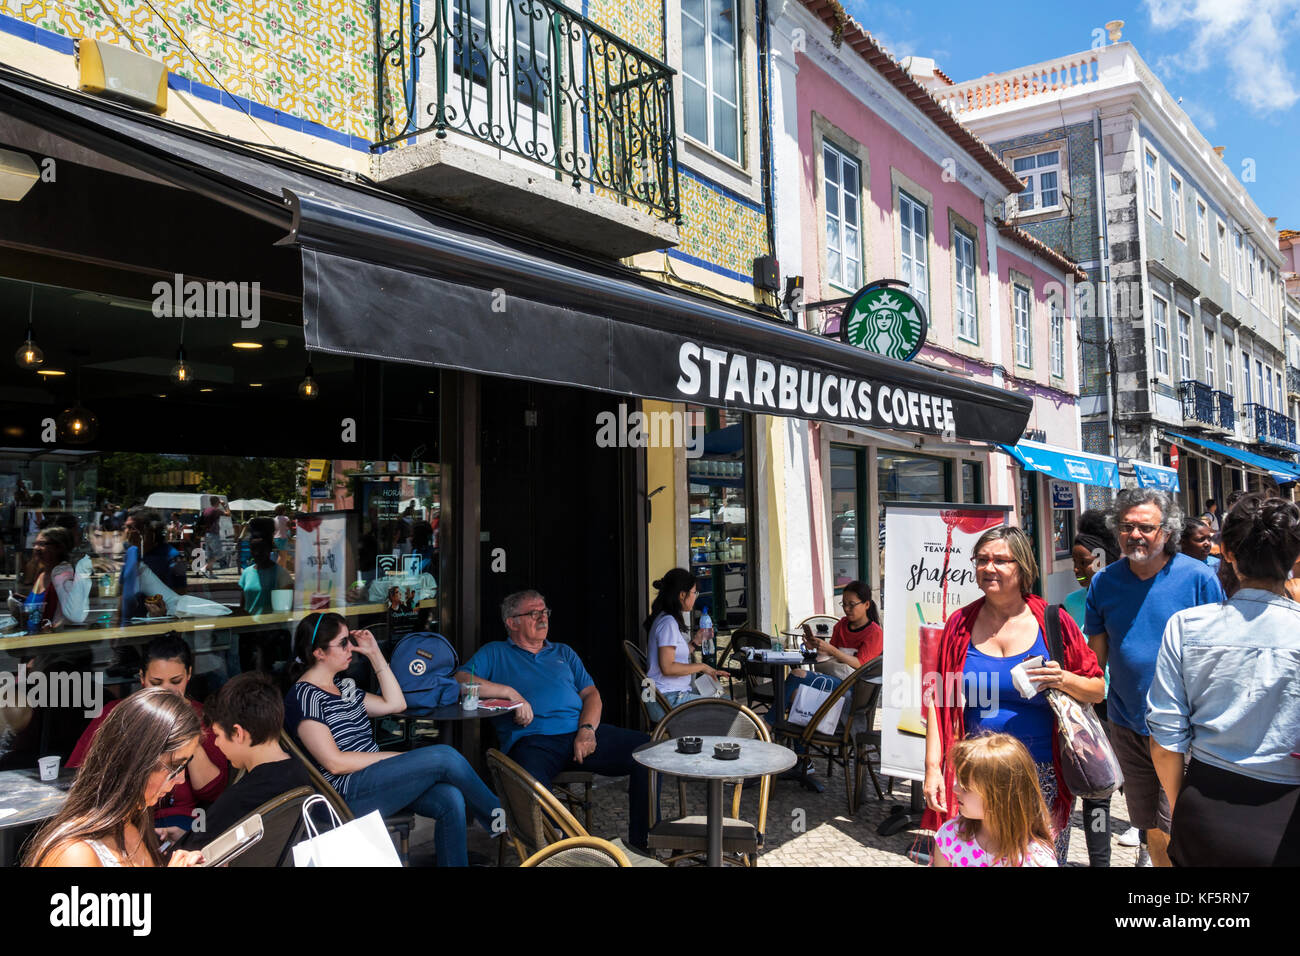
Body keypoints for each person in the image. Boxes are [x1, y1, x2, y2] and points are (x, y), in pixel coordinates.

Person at [923, 526, 1104, 864]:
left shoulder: (1054, 621)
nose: (988, 567)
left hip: (1042, 774)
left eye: (1000, 560)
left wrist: (1062, 678)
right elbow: (941, 698)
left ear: (1022, 567)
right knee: (975, 857)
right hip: (976, 775)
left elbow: (1096, 689)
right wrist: (933, 768)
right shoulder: (960, 624)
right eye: (982, 560)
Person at [1147, 493, 1300, 866]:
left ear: (1226, 551)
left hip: (1205, 807)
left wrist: (1182, 802)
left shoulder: (1186, 627)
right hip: (1288, 810)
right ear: (1296, 557)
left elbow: (1165, 742)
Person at [285, 612, 501, 867]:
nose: (350, 648)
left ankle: (498, 827)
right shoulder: (305, 696)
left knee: (450, 798)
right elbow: (335, 763)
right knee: (444, 756)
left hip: (375, 780)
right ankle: (507, 822)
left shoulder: (344, 687)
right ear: (319, 653)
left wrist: (375, 654)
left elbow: (396, 703)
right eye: (343, 643)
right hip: (345, 794)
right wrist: (392, 757)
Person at [1084, 487, 1223, 867]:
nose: (1135, 535)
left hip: (1184, 727)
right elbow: (1096, 661)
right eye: (1127, 526)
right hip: (1126, 724)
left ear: (1167, 531)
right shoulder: (1104, 583)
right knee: (1151, 829)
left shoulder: (1198, 579)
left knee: (1182, 823)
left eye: (1145, 527)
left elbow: (1218, 657)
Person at [456, 590, 653, 850]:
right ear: (512, 622)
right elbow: (460, 680)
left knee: (649, 752)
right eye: (533, 613)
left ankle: (642, 843)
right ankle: (560, 850)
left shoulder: (563, 652)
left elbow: (592, 694)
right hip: (532, 740)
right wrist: (510, 693)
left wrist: (586, 730)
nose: (543, 618)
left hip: (579, 733)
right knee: (531, 787)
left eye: (545, 612)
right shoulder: (495, 653)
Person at [69, 632, 229, 839]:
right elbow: (78, 774)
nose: (167, 690)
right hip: (121, 820)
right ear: (142, 678)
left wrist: (189, 736)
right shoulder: (116, 714)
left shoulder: (202, 718)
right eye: (156, 682)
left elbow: (212, 792)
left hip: (182, 823)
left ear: (189, 674)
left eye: (176, 681)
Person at [23, 688, 205, 866]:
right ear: (135, 761)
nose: (181, 779)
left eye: (185, 765)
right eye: (174, 766)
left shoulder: (135, 822)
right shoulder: (74, 855)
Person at [182, 672, 312, 849]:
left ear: (238, 733)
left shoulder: (240, 798)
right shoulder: (299, 770)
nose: (217, 743)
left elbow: (189, 849)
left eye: (218, 735)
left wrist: (181, 837)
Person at [1063, 510, 1124, 866]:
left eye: (1083, 562)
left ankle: (1150, 846)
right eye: (1073, 562)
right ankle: (1100, 862)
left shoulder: (1125, 596)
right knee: (1097, 792)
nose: (1076, 569)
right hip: (1088, 708)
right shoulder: (1070, 605)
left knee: (1141, 787)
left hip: (1128, 707)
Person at [931, 733, 1058, 867]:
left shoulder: (1036, 859)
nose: (955, 789)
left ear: (1000, 796)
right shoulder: (951, 835)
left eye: (966, 787)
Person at [644, 569, 726, 721]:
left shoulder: (666, 618)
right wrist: (702, 667)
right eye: (694, 592)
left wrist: (696, 642)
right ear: (682, 595)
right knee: (726, 707)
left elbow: (674, 655)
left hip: (668, 696)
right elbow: (668, 667)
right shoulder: (668, 622)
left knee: (723, 698)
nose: (695, 597)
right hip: (667, 702)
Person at [17, 526, 90, 632]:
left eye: (42, 544)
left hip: (49, 644)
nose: (36, 548)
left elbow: (72, 616)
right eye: (35, 544)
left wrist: (54, 627)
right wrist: (24, 604)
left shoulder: (65, 576)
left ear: (59, 547)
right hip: (33, 640)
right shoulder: (42, 574)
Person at [806, 580, 883, 679]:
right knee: (797, 679)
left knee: (798, 676)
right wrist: (816, 647)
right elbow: (830, 655)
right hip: (834, 677)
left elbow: (860, 664)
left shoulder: (874, 633)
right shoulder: (841, 625)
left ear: (866, 605)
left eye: (851, 604)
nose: (846, 609)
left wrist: (831, 650)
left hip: (855, 685)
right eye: (844, 604)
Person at [124, 507, 187, 593]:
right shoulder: (130, 553)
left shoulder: (172, 558)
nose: (126, 531)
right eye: (126, 527)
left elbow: (180, 597)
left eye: (131, 527)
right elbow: (124, 592)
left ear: (149, 530)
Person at [238, 516, 292, 613]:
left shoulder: (281, 575)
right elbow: (243, 607)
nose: (257, 553)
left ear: (269, 549)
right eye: (254, 549)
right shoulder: (246, 573)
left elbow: (285, 611)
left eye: (261, 550)